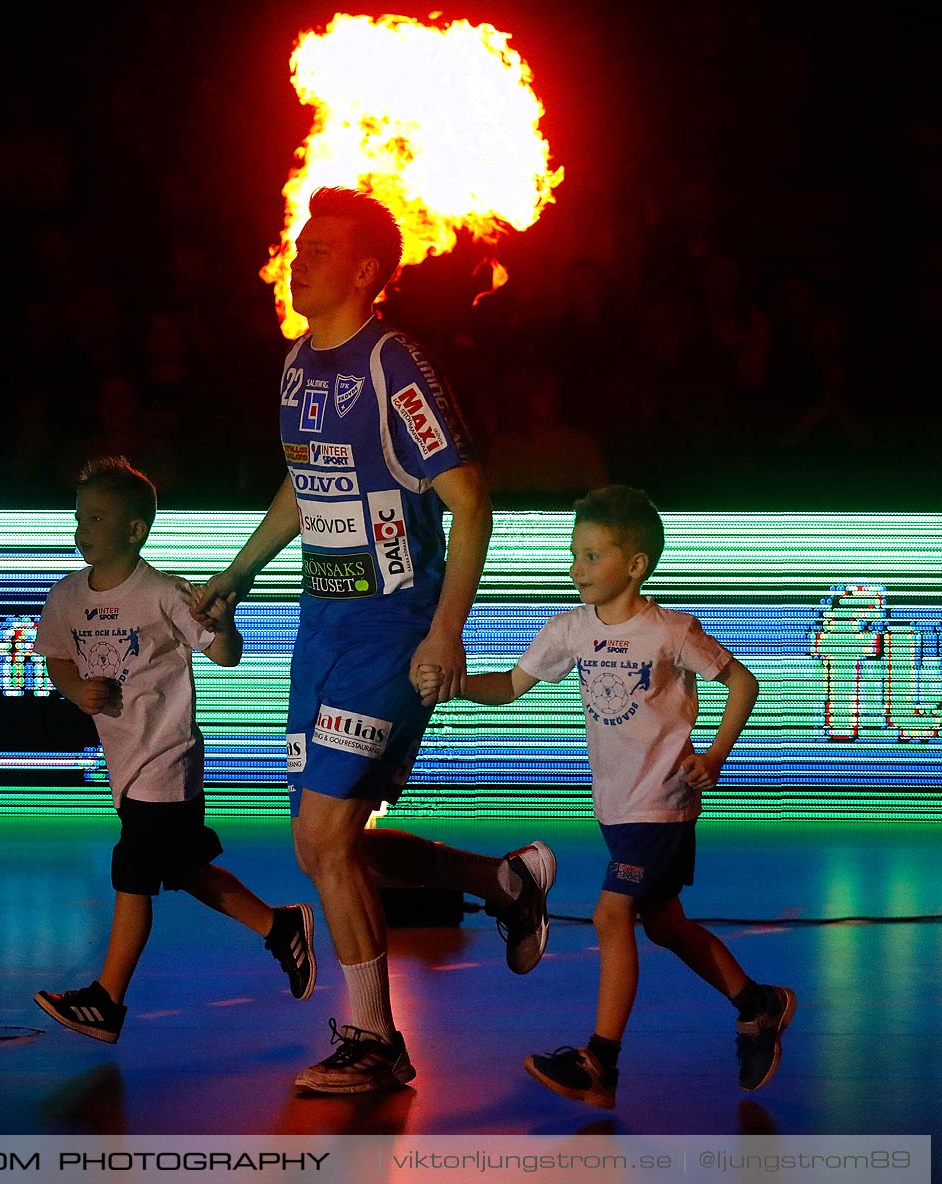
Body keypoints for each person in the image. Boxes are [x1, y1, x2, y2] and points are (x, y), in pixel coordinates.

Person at [191, 187, 556, 1094]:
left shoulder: (395, 362)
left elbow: (470, 500)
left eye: (321, 247)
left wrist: (446, 630)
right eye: (300, 244)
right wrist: (238, 573)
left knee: (322, 834)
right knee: (327, 840)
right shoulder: (294, 363)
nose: (300, 256)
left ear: (364, 270)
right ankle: (501, 883)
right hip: (321, 623)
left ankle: (376, 1041)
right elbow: (303, 482)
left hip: (392, 624)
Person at [417, 485, 795, 1105]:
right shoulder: (570, 629)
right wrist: (455, 686)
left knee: (610, 914)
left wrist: (715, 755)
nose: (576, 568)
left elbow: (742, 682)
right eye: (574, 553)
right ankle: (758, 1005)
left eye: (592, 556)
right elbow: (514, 684)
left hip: (661, 804)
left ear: (636, 565)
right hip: (616, 810)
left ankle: (601, 1062)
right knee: (666, 924)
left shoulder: (670, 631)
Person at [32, 456, 317, 1043]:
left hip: (167, 761)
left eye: (98, 518)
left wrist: (226, 620)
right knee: (184, 868)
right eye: (80, 517)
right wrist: (74, 688)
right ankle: (280, 927)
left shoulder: (164, 594)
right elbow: (57, 656)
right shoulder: (64, 598)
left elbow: (224, 653)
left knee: (133, 872)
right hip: (125, 763)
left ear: (135, 531)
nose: (83, 530)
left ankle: (106, 1000)